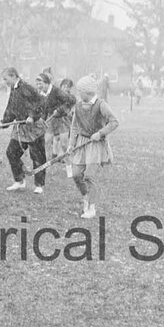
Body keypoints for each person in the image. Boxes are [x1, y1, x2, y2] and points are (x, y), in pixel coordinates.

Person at [68, 75, 119, 219]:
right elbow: (74, 127)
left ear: (87, 92)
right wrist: (71, 144)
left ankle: (91, 207)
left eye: (80, 91)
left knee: (89, 176)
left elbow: (114, 122)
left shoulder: (101, 104)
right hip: (81, 143)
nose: (78, 94)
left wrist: (100, 133)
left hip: (95, 145)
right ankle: (86, 197)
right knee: (77, 174)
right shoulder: (78, 106)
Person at [1, 67, 47, 194]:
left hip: (34, 128)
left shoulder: (26, 87)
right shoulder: (13, 89)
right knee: (11, 152)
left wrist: (32, 116)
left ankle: (39, 185)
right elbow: (11, 108)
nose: (5, 82)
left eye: (6, 79)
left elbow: (41, 102)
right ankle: (19, 181)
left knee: (37, 156)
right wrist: (4, 122)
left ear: (13, 76)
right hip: (21, 128)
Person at [45, 77, 77, 178]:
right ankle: (48, 166)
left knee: (64, 145)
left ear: (70, 88)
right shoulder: (55, 94)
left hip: (63, 120)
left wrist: (59, 110)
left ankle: (68, 167)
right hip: (51, 120)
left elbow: (68, 108)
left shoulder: (70, 97)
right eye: (64, 86)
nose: (65, 88)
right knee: (47, 142)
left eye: (68, 87)